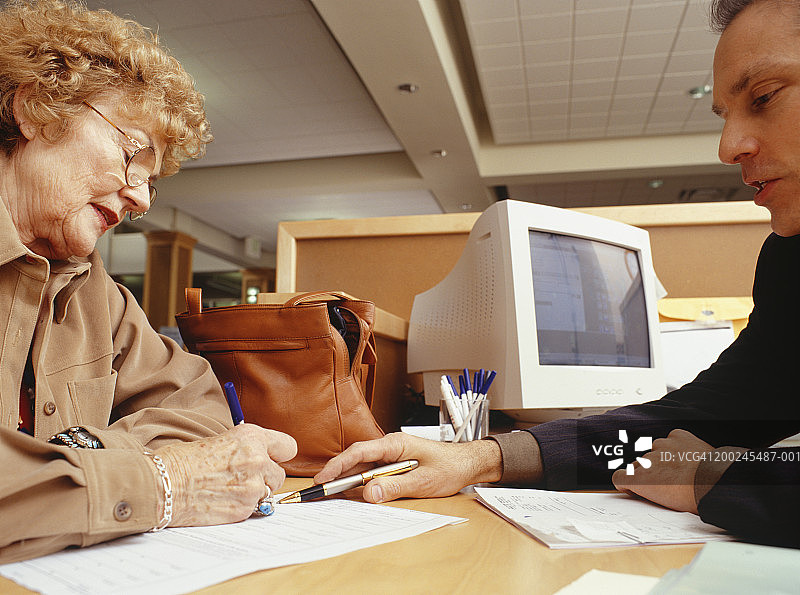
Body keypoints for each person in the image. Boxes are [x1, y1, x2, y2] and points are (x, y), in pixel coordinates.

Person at [316, 0, 800, 548]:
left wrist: (709, 477)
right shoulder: (789, 259)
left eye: (764, 97)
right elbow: (709, 415)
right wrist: (481, 457)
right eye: (724, 116)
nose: (729, 147)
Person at [0, 0, 297, 563]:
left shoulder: (94, 289)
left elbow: (201, 408)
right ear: (35, 109)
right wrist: (162, 482)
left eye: (150, 182)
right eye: (131, 153)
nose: (140, 198)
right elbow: (180, 468)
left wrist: (74, 462)